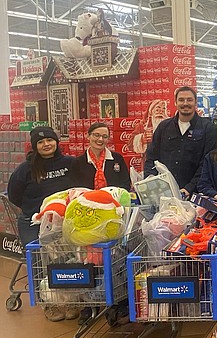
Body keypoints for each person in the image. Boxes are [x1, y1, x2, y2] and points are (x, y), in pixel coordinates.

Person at [7, 126, 77, 322]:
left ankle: (71, 299)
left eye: (50, 140)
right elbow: (14, 195)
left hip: (63, 221)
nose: (46, 144)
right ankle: (49, 303)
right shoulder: (25, 169)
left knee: (68, 257)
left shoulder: (70, 163)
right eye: (41, 142)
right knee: (37, 259)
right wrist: (35, 211)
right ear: (35, 146)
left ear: (56, 141)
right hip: (33, 222)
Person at [144, 86, 217, 199]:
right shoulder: (164, 127)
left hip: (196, 195)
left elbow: (207, 163)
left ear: (195, 102)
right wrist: (151, 182)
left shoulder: (208, 128)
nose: (185, 103)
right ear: (175, 102)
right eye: (181, 100)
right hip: (164, 194)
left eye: (189, 100)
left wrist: (189, 188)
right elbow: (151, 156)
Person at [71, 122, 131, 191]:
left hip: (113, 200)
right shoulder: (78, 162)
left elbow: (125, 183)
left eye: (105, 136)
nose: (100, 139)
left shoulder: (117, 158)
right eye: (96, 135)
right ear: (88, 136)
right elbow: (75, 189)